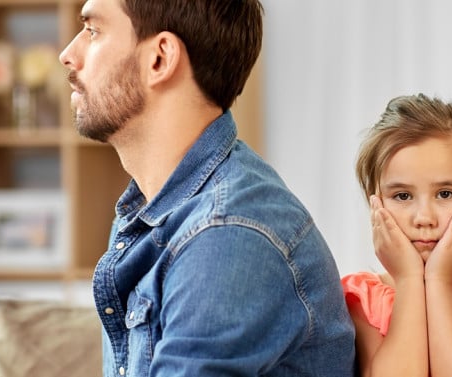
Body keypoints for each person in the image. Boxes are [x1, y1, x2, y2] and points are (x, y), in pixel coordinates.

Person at [58, 0, 355, 375]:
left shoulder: (227, 234)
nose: (68, 55)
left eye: (93, 31)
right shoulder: (154, 212)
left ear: (160, 59)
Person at [342, 94, 452, 377]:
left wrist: (440, 282)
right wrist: (410, 280)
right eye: (402, 196)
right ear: (375, 202)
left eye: (445, 194)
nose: (424, 218)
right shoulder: (362, 300)